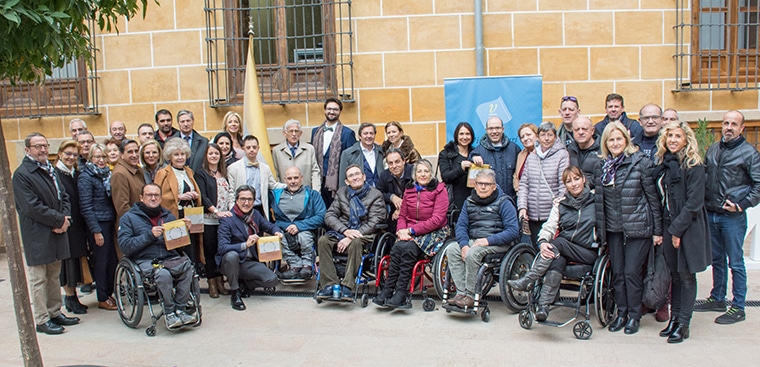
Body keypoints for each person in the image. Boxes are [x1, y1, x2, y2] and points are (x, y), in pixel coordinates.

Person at [594, 121, 662, 335]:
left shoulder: (640, 162)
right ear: (605, 142)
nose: (615, 143)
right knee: (619, 274)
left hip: (638, 227)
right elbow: (599, 203)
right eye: (611, 139)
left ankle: (634, 316)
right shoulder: (602, 166)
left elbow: (653, 198)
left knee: (632, 273)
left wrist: (657, 230)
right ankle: (621, 313)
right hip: (613, 229)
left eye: (619, 139)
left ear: (626, 140)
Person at [695, 110, 760, 325]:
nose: (729, 127)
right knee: (717, 260)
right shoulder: (713, 149)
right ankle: (717, 298)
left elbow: (758, 185)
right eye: (725, 123)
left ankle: (738, 306)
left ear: (742, 128)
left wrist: (741, 205)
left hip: (732, 217)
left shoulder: (749, 153)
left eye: (734, 124)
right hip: (711, 212)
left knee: (736, 262)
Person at [508, 166, 598, 322]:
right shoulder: (561, 204)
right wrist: (542, 242)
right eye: (569, 181)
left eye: (576, 179)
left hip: (588, 251)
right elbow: (549, 226)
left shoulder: (596, 201)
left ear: (584, 179)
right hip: (562, 250)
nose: (574, 184)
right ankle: (543, 307)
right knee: (557, 259)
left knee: (560, 242)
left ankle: (529, 279)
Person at [13, 132, 80, 335]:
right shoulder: (22, 174)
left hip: (57, 231)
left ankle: (54, 312)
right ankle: (42, 320)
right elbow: (31, 207)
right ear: (27, 150)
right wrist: (58, 220)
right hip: (38, 234)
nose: (43, 149)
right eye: (37, 146)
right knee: (39, 278)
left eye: (45, 145)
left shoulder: (49, 169)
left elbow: (64, 196)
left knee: (53, 276)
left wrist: (65, 219)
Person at [653, 121, 712, 343]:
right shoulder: (666, 165)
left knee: (687, 276)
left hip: (688, 228)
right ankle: (674, 319)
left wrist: (677, 231)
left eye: (678, 136)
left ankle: (684, 324)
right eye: (670, 136)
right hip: (669, 225)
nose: (673, 140)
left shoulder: (694, 166)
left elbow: (694, 204)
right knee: (675, 276)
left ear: (686, 139)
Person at [117, 184, 198, 330]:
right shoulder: (128, 218)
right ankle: (169, 312)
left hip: (169, 257)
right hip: (146, 260)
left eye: (156, 195)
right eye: (149, 195)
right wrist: (149, 235)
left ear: (160, 198)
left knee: (187, 266)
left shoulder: (169, 216)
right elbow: (125, 245)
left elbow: (179, 247)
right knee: (162, 273)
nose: (153, 198)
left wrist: (185, 232)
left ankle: (180, 308)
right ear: (141, 197)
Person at [374, 160, 449, 309]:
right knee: (396, 248)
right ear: (414, 175)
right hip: (409, 232)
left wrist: (411, 231)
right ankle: (388, 289)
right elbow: (402, 216)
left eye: (426, 171)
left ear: (431, 173)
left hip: (434, 231)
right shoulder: (409, 190)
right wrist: (401, 232)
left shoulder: (440, 190)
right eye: (419, 171)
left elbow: (437, 219)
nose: (422, 174)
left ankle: (401, 293)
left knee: (408, 249)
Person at [445, 169, 520, 308]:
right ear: (475, 185)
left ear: (494, 186)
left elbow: (513, 231)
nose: (483, 187)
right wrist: (463, 245)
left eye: (487, 184)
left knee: (473, 254)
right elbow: (461, 226)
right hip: (475, 241)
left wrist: (487, 241)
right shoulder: (469, 201)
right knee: (452, 249)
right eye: (480, 183)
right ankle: (461, 292)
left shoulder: (504, 202)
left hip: (498, 242)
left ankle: (471, 294)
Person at [315, 165, 386, 300]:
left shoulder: (375, 194)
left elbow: (375, 221)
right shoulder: (342, 193)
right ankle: (329, 284)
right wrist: (345, 231)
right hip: (343, 232)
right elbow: (330, 215)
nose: (355, 177)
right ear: (347, 181)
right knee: (323, 241)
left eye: (357, 174)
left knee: (356, 242)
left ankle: (348, 286)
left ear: (364, 177)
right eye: (351, 176)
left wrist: (352, 235)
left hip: (365, 235)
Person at [217, 185, 282, 310]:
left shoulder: (255, 215)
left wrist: (277, 231)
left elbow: (269, 226)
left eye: (250, 199)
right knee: (232, 255)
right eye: (242, 199)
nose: (246, 203)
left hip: (249, 262)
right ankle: (235, 293)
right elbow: (222, 248)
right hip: (232, 262)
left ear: (254, 201)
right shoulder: (228, 219)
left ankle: (244, 284)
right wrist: (245, 245)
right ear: (236, 200)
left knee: (272, 280)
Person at [77, 143, 118, 311]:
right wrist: (96, 231)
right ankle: (102, 297)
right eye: (97, 157)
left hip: (109, 221)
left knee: (112, 261)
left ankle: (108, 293)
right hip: (98, 224)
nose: (101, 160)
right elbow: (86, 206)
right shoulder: (86, 177)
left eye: (103, 157)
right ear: (90, 158)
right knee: (101, 261)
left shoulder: (107, 174)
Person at [517, 122, 569, 245]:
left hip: (551, 215)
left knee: (550, 250)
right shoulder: (532, 157)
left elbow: (563, 184)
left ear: (555, 136)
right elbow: (524, 184)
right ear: (538, 137)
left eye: (549, 135)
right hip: (533, 215)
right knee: (536, 248)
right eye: (543, 135)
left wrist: (558, 207)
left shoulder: (562, 155)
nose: (546, 138)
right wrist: (522, 207)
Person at [270, 166, 326, 280]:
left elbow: (321, 216)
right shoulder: (275, 195)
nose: (293, 181)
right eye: (289, 178)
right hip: (283, 230)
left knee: (303, 236)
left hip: (306, 230)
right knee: (278, 239)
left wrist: (298, 226)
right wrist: (286, 227)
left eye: (296, 178)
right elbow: (273, 220)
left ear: (301, 178)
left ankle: (307, 265)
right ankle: (295, 265)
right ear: (285, 180)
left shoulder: (313, 195)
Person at [194, 143, 235, 298]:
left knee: (221, 251)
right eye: (210, 153)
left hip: (224, 220)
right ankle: (212, 283)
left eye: (216, 153)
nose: (214, 156)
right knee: (210, 252)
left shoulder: (224, 172)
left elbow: (230, 192)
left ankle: (220, 282)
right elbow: (202, 196)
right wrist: (215, 211)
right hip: (209, 219)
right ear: (206, 155)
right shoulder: (201, 174)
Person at [154, 138, 202, 264]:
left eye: (182, 154)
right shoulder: (163, 173)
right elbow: (157, 197)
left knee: (193, 250)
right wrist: (179, 197)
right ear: (170, 156)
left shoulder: (189, 171)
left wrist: (194, 195)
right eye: (176, 154)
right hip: (175, 216)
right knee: (179, 250)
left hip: (191, 216)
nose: (180, 157)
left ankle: (193, 277)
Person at [54, 140, 88, 315]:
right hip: (65, 224)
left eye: (74, 155)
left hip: (77, 224)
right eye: (68, 154)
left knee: (75, 260)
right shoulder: (57, 174)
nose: (71, 157)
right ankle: (69, 296)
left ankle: (73, 296)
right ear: (60, 153)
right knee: (67, 263)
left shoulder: (74, 172)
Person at [311, 97, 356, 207]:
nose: (332, 112)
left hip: (336, 182)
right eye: (329, 109)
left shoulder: (347, 133)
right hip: (318, 180)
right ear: (324, 110)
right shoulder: (315, 132)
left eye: (335, 109)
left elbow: (351, 160)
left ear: (340, 111)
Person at [227, 135, 286, 217]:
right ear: (243, 148)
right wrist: (232, 211)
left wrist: (290, 185)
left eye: (254, 147)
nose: (251, 150)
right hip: (241, 209)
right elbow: (231, 192)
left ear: (258, 148)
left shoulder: (265, 168)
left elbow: (273, 185)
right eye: (248, 147)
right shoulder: (233, 168)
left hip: (259, 209)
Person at [471, 116, 521, 200]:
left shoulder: (515, 149)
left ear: (503, 129)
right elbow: (472, 183)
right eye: (491, 128)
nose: (494, 131)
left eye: (497, 128)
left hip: (510, 202)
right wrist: (472, 158)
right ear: (486, 130)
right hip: (487, 205)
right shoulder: (477, 152)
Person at [272, 119, 321, 189]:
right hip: (286, 194)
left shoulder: (309, 149)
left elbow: (315, 172)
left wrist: (316, 192)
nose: (294, 134)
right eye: (291, 131)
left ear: (300, 133)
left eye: (296, 131)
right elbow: (276, 175)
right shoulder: (276, 151)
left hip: (306, 192)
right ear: (284, 133)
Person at [438, 122, 475, 214]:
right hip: (454, 200)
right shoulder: (446, 154)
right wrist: (461, 168)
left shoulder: (476, 153)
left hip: (474, 199)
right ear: (456, 135)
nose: (465, 137)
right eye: (461, 134)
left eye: (467, 134)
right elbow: (445, 176)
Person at [376, 148, 413, 231]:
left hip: (415, 213)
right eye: (390, 163)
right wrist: (391, 197)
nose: (394, 166)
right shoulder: (384, 175)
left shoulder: (414, 172)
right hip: (394, 215)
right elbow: (378, 194)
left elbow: (419, 194)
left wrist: (402, 209)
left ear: (404, 161)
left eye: (397, 162)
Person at [338, 122, 385, 187]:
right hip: (358, 194)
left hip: (380, 193)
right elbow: (343, 179)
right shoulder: (347, 153)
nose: (369, 136)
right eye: (365, 133)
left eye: (371, 133)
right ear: (359, 136)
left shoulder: (381, 151)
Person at [111, 139, 146, 222]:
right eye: (130, 152)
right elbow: (122, 207)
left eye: (136, 151)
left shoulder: (138, 169)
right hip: (132, 224)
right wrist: (138, 222)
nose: (134, 155)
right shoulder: (119, 173)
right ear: (121, 155)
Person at [567, 116, 601, 186]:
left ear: (592, 131)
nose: (580, 132)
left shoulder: (602, 150)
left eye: (584, 129)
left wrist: (584, 186)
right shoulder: (569, 150)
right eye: (577, 129)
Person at [513, 123, 538, 195]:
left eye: (528, 134)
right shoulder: (521, 155)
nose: (525, 138)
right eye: (522, 137)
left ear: (537, 135)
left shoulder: (544, 153)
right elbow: (516, 176)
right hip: (523, 198)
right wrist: (518, 191)